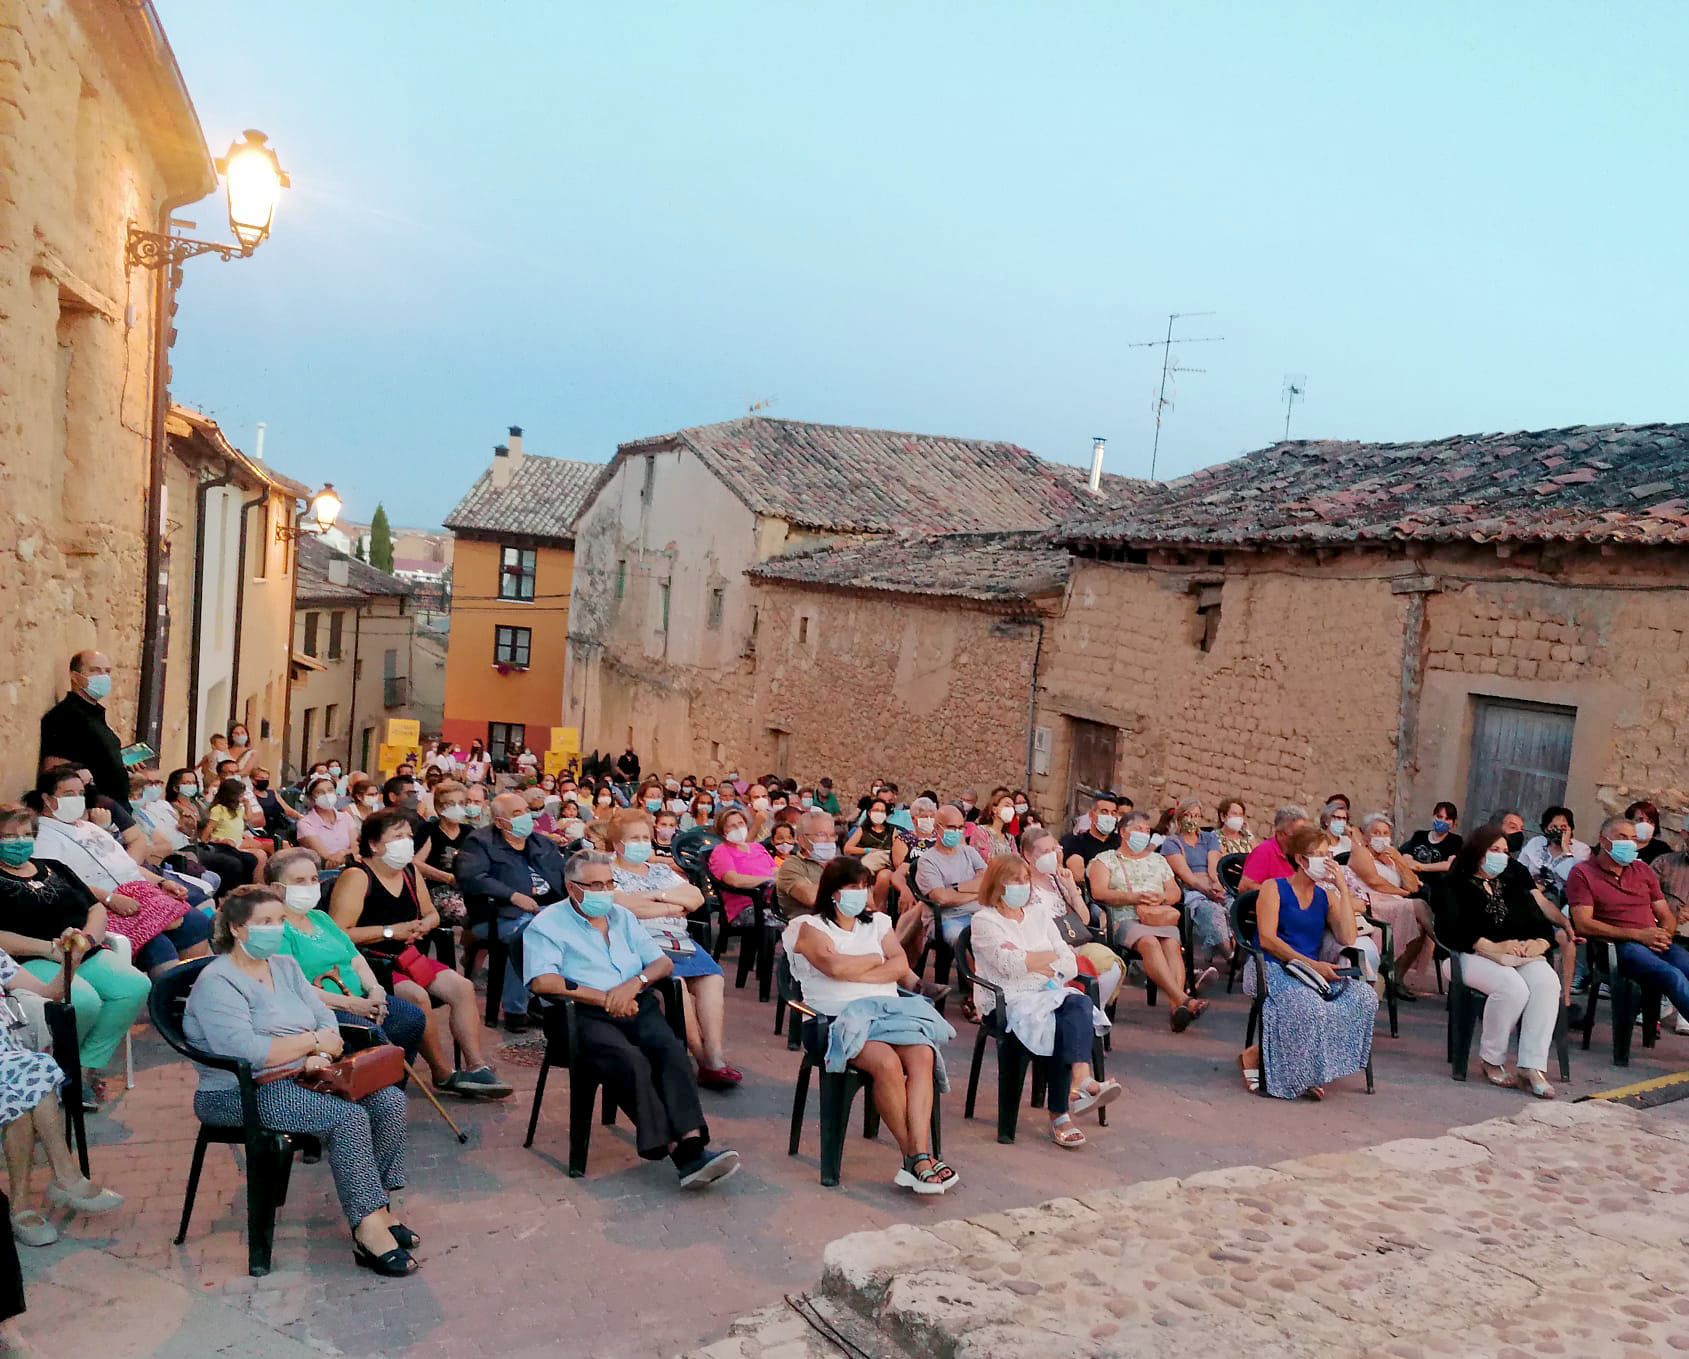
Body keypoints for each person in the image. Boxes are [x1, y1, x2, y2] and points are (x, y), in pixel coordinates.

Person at [184, 886, 418, 1276]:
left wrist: (322, 1053)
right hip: (240, 1091)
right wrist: (310, 1044)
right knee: (346, 1119)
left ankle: (380, 1207)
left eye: (278, 921)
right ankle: (369, 1229)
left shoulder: (284, 966)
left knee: (389, 1101)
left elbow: (324, 1017)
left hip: (305, 1074)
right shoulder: (218, 982)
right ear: (239, 929)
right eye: (264, 923)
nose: (275, 930)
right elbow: (249, 1051)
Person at [523, 851, 740, 1189]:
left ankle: (694, 1144)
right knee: (630, 1061)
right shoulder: (547, 924)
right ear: (571, 887)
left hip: (635, 1004)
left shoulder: (622, 916)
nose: (604, 891)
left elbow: (661, 964)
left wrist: (633, 985)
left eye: (609, 883)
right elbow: (543, 982)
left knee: (669, 1051)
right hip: (580, 1014)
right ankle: (682, 1157)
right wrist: (607, 997)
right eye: (595, 884)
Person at [782, 858, 958, 1193]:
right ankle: (916, 1157)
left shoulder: (877, 922)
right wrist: (874, 961)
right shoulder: (808, 926)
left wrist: (861, 968)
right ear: (833, 892)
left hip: (887, 1013)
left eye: (864, 886)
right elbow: (833, 967)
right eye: (853, 887)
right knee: (887, 1063)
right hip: (833, 1020)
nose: (861, 894)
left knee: (923, 1055)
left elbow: (899, 965)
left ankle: (919, 1153)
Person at [328, 812, 510, 1097]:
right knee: (417, 996)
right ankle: (442, 1072)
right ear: (375, 845)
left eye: (408, 837)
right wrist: (391, 931)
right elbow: (337, 933)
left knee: (462, 987)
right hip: (371, 961)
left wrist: (425, 924)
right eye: (398, 837)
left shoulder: (410, 872)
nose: (406, 843)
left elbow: (431, 913)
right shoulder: (357, 876)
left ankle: (477, 1066)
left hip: (408, 954)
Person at [0, 805, 152, 1097]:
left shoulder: (55, 866)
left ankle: (83, 1067)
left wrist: (87, 941)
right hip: (33, 958)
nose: (19, 842)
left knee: (134, 987)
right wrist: (50, 950)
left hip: (83, 950)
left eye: (26, 834)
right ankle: (59, 1067)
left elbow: (95, 907)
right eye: (9, 836)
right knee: (83, 1002)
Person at [968, 855, 1116, 1147]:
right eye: (1014, 881)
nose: (1022, 887)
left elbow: (1070, 962)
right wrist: (1047, 959)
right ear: (997, 884)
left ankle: (1082, 1080)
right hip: (1008, 1000)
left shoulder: (1038, 915)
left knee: (1079, 1005)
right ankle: (1061, 1113)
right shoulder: (984, 921)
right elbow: (1008, 966)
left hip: (1048, 991)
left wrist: (1034, 960)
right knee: (1061, 1021)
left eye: (1025, 880)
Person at [1237, 825, 1380, 1099]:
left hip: (1311, 974)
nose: (1326, 860)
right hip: (1271, 967)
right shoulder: (1273, 888)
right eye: (1318, 855)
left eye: (1329, 854)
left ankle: (1298, 1064)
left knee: (1363, 997)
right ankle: (1287, 1070)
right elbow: (1267, 939)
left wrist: (1340, 888)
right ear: (1301, 860)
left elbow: (1348, 935)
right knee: (1308, 1005)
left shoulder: (1326, 895)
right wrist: (1312, 966)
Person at [0, 935, 125, 1248]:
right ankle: (65, 1178)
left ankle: (22, 1206)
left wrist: (72, 958)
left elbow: (50, 993)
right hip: (11, 1063)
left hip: (9, 1057)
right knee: (31, 1074)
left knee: (26, 1080)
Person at [27, 769, 211, 978]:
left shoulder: (89, 827)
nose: (78, 799)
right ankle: (168, 997)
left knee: (195, 923)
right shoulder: (44, 837)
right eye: (69, 794)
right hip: (106, 906)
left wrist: (160, 882)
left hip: (139, 893)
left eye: (80, 793)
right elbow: (62, 881)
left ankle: (191, 987)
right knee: (157, 945)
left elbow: (124, 865)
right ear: (47, 798)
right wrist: (110, 898)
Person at [606, 811, 738, 1088]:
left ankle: (714, 1053)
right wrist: (670, 906)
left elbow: (695, 897)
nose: (642, 843)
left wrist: (656, 896)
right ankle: (704, 1060)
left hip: (679, 939)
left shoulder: (660, 871)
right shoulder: (608, 871)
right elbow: (624, 906)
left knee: (711, 978)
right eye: (634, 838)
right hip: (640, 943)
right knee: (676, 985)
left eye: (645, 837)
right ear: (618, 843)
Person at [266, 850, 428, 1066]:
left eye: (314, 879)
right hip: (323, 1009)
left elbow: (355, 958)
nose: (310, 886)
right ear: (277, 889)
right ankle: (366, 1091)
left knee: (411, 1018)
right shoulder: (277, 928)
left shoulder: (320, 917)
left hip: (361, 997)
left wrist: (376, 991)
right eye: (299, 881)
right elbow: (293, 986)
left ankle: (392, 1087)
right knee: (372, 1035)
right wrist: (351, 1004)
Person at [1437, 824, 1564, 1098]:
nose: (1501, 856)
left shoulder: (1512, 879)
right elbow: (1449, 928)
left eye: (1505, 851)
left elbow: (1537, 919)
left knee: (1547, 983)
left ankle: (1532, 1066)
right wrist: (1491, 946)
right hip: (1468, 955)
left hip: (1516, 954)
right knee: (1513, 989)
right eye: (1494, 850)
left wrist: (1539, 942)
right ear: (1478, 851)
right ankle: (1491, 1060)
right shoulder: (1455, 882)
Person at [455, 792, 567, 1031]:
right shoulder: (480, 842)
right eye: (517, 814)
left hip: (547, 910)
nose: (526, 817)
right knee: (530, 935)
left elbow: (564, 875)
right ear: (499, 821)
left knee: (577, 931)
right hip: (500, 914)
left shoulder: (541, 843)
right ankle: (517, 1009)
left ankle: (556, 999)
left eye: (526, 811)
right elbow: (472, 878)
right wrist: (513, 895)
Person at [1088, 810, 1209, 1030]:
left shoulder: (1158, 860)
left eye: (1147, 830)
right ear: (1124, 832)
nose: (1144, 834)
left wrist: (1161, 897)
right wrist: (1132, 897)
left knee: (1172, 944)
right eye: (1139, 830)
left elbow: (1175, 892)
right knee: (1149, 943)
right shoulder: (1105, 860)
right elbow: (1098, 892)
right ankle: (1183, 999)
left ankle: (1177, 1008)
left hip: (1158, 917)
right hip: (1125, 918)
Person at [1566, 815, 1689, 1021]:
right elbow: (1583, 923)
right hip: (1617, 946)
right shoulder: (1583, 873)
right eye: (1622, 837)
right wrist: (1639, 935)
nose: (1629, 843)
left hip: (1653, 942)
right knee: (1673, 976)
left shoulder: (1642, 870)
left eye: (1633, 838)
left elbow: (1666, 914)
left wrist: (1664, 935)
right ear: (1604, 841)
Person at [1019, 826, 1123, 1008]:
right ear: (1028, 855)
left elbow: (1084, 920)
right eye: (1045, 851)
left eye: (1054, 850)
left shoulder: (1056, 880)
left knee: (1111, 966)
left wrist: (1071, 889)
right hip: (1044, 948)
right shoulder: (1021, 885)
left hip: (1073, 942)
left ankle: (1093, 1012)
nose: (1051, 855)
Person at [1347, 811, 1435, 998]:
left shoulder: (1392, 857)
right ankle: (1443, 941)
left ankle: (1397, 977)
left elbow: (1412, 885)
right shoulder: (1361, 852)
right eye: (1376, 833)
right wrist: (1402, 893)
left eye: (1385, 833)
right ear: (1367, 836)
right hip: (1372, 903)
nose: (1381, 837)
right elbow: (1374, 881)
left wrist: (1399, 860)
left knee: (1420, 927)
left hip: (1395, 904)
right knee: (1419, 904)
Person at [38, 650, 128, 810]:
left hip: (115, 809)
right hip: (93, 811)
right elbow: (54, 770)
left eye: (107, 671)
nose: (103, 676)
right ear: (75, 676)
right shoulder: (65, 716)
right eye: (94, 670)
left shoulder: (95, 716)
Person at [1161, 797, 1233, 971]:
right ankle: (1231, 957)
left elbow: (1213, 867)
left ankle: (1243, 956)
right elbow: (1187, 877)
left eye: (1196, 816)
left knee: (1235, 906)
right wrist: (1207, 891)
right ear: (1180, 817)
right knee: (1212, 910)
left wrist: (1216, 886)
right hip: (1192, 889)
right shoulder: (1172, 843)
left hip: (1213, 884)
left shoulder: (1208, 838)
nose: (1192, 820)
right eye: (1188, 815)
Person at [913, 804, 988, 955]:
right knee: (966, 941)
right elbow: (941, 898)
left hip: (979, 914)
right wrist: (977, 892)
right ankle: (972, 978)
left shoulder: (969, 852)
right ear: (937, 827)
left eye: (960, 828)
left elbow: (987, 879)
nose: (957, 832)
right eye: (951, 827)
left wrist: (955, 889)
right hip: (947, 919)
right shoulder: (927, 861)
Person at [416, 780, 472, 928]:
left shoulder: (469, 832)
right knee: (464, 913)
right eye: (452, 804)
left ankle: (470, 950)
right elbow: (415, 863)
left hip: (466, 888)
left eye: (461, 803)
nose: (458, 808)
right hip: (436, 888)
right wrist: (447, 878)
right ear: (439, 808)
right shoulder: (429, 829)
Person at [707, 807, 776, 924]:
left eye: (740, 823)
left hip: (773, 901)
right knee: (787, 923)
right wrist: (768, 880)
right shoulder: (721, 851)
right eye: (732, 825)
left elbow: (775, 870)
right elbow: (733, 880)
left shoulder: (757, 847)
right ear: (723, 830)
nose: (738, 828)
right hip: (748, 907)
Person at [774, 808, 839, 918]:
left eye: (832, 835)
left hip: (840, 923)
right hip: (809, 926)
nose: (829, 840)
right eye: (821, 835)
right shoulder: (792, 866)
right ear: (802, 840)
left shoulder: (839, 863)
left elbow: (868, 899)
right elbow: (813, 898)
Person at [202, 776, 267, 882]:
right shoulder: (218, 809)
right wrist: (204, 841)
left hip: (237, 840)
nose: (242, 797)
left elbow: (248, 819)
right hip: (223, 841)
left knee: (261, 849)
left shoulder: (238, 809)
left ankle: (258, 882)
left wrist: (247, 805)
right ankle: (257, 883)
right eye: (240, 795)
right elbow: (210, 827)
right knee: (260, 855)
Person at [1519, 806, 1590, 895]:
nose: (1558, 830)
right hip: (1532, 892)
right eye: (1554, 827)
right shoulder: (1535, 843)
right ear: (1545, 829)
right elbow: (1520, 868)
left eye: (1563, 827)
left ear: (1570, 829)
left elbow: (1571, 878)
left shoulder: (1582, 849)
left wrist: (1565, 849)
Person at [1239, 805, 1310, 892]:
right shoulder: (1264, 852)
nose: (1303, 837)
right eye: (1298, 834)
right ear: (1281, 834)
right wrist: (1278, 894)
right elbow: (1245, 886)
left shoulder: (1301, 854)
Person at [296, 775, 358, 870]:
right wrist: (348, 855)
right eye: (320, 792)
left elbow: (356, 847)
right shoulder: (305, 823)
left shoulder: (346, 817)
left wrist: (343, 853)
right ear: (311, 797)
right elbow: (325, 856)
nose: (326, 795)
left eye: (330, 790)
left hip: (350, 866)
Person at [1061, 793, 1121, 879]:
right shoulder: (1075, 842)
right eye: (1104, 812)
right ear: (1091, 815)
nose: (1109, 817)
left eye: (1113, 813)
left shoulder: (1121, 842)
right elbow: (1079, 876)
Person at [1625, 800, 1672, 865]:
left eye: (1650, 821)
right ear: (1629, 822)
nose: (1645, 824)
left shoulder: (1662, 849)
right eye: (1640, 820)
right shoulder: (1621, 846)